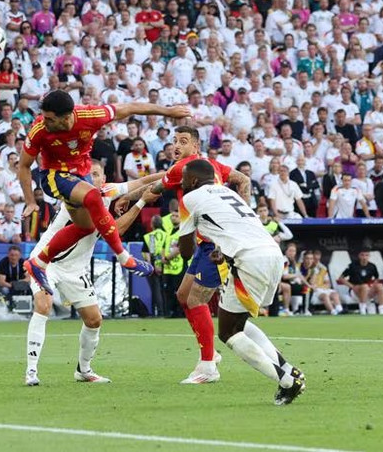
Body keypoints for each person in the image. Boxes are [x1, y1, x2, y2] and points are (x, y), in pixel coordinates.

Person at [20, 90, 187, 291]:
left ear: (66, 117)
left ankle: (38, 262)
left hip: (81, 175)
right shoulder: (39, 129)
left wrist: (167, 111)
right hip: (53, 175)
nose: (43, 121)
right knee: (94, 196)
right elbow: (23, 166)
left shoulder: (90, 116)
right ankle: (125, 258)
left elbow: (131, 107)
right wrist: (30, 201)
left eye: (49, 118)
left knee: (87, 227)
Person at [131, 126, 251, 384]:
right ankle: (210, 353)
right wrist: (244, 212)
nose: (176, 146)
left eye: (183, 142)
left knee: (196, 300)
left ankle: (208, 366)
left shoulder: (183, 168)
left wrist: (129, 200)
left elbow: (153, 188)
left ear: (195, 147)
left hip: (216, 244)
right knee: (183, 295)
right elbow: (244, 180)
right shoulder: (212, 164)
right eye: (174, 141)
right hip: (206, 241)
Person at [179, 159, 305, 405]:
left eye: (183, 178)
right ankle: (289, 370)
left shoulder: (190, 199)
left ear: (193, 180)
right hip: (271, 253)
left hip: (249, 259)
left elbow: (185, 250)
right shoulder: (227, 192)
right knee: (239, 320)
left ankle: (286, 381)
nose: (181, 182)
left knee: (228, 332)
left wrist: (192, 244)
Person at [25, 164, 161, 386]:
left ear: (104, 178)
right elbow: (114, 230)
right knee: (43, 305)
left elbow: (141, 182)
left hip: (75, 269)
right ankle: (31, 371)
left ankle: (84, 370)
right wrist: (141, 202)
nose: (92, 178)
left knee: (94, 319)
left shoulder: (106, 192)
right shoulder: (76, 200)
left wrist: (174, 172)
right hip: (46, 263)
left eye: (96, 174)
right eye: (88, 175)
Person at [337, 250, 383, 315]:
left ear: (369, 256)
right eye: (362, 255)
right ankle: (363, 311)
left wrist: (372, 286)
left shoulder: (372, 266)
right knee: (364, 286)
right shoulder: (352, 265)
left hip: (368, 290)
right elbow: (341, 278)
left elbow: (376, 278)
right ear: (359, 256)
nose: (364, 257)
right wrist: (352, 286)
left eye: (366, 255)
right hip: (355, 291)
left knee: (379, 286)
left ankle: (382, 312)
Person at [300, 250, 343, 315]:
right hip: (315, 291)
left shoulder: (323, 268)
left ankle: (340, 310)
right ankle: (333, 312)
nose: (316, 261)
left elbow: (328, 283)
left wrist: (323, 286)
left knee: (335, 294)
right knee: (325, 296)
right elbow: (311, 284)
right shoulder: (307, 268)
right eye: (314, 259)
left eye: (318, 259)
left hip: (322, 288)